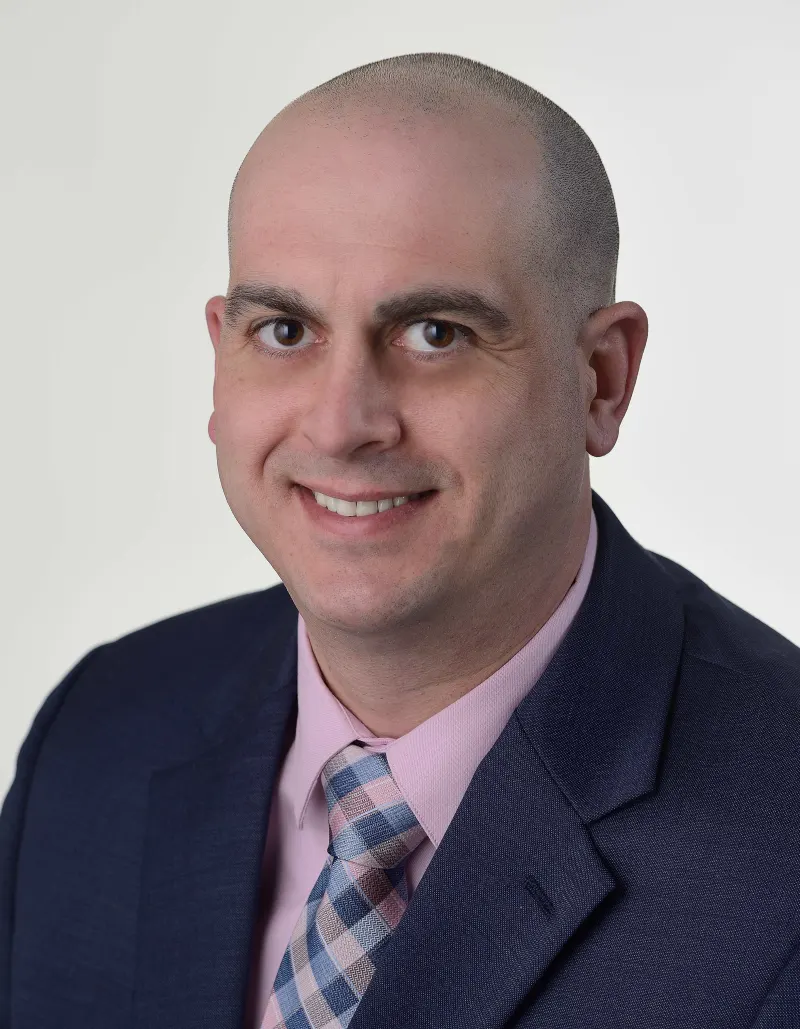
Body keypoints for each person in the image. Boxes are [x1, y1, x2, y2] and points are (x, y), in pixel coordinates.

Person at [1, 50, 799, 1029]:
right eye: (285, 331)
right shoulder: (101, 734)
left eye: (434, 333)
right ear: (220, 357)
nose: (340, 425)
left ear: (599, 377)